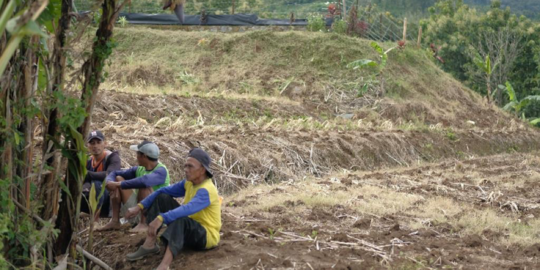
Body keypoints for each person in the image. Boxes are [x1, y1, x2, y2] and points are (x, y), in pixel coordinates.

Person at [124, 148, 221, 270]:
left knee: (181, 219)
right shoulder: (189, 183)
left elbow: (187, 209)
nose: (185, 170)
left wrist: (161, 218)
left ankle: (164, 265)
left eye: (190, 166)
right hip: (189, 228)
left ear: (202, 170)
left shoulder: (207, 190)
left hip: (206, 236)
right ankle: (149, 244)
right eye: (185, 166)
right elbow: (162, 190)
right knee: (162, 197)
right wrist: (139, 206)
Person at [98, 140, 170, 232]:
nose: (136, 158)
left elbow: (145, 181)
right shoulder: (140, 169)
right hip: (137, 208)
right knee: (118, 178)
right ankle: (115, 221)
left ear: (143, 156)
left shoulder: (161, 171)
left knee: (144, 186)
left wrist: (119, 184)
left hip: (155, 213)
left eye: (137, 155)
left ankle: (143, 224)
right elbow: (115, 173)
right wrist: (109, 182)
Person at [81, 130, 121, 220]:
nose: (95, 146)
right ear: (88, 146)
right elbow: (84, 179)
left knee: (97, 183)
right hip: (91, 196)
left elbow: (110, 174)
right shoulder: (88, 160)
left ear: (105, 144)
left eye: (98, 142)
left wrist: (88, 174)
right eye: (92, 143)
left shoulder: (112, 157)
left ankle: (96, 218)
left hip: (110, 198)